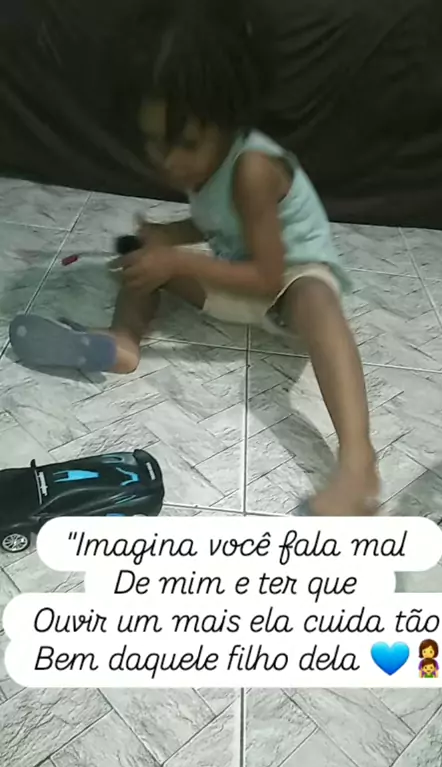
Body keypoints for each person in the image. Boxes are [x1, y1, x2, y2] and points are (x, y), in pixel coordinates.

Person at [9, 0, 378, 515]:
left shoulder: (254, 168)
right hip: (240, 285)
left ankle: (358, 461)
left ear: (228, 119)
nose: (167, 159)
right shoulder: (205, 166)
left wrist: (179, 262)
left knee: (317, 297)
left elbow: (270, 274)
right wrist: (168, 239)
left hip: (290, 284)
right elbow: (219, 222)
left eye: (183, 141)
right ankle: (123, 342)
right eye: (153, 141)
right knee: (144, 258)